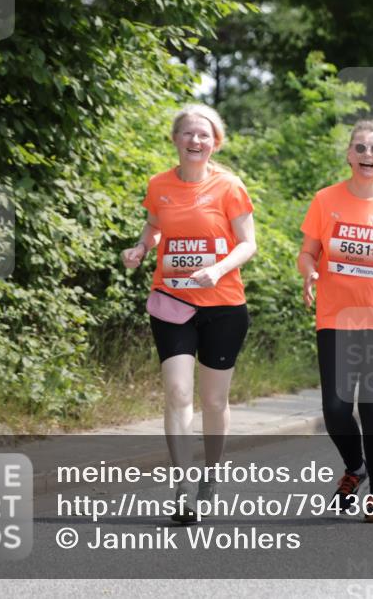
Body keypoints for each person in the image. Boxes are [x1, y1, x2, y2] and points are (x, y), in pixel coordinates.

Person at [121, 104, 256, 522]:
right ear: (176, 139)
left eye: (205, 136)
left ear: (215, 143)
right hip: (172, 301)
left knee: (214, 402)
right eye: (189, 134)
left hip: (223, 306)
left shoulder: (229, 186)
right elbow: (154, 224)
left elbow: (248, 243)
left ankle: (210, 474)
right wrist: (142, 248)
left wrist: (216, 269)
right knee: (178, 393)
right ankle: (182, 488)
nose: (196, 141)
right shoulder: (159, 184)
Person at [298, 120, 373, 523]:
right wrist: (309, 272)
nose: (368, 155)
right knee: (335, 409)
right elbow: (308, 252)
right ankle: (356, 467)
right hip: (335, 317)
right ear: (349, 155)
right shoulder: (325, 199)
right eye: (361, 148)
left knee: (371, 405)